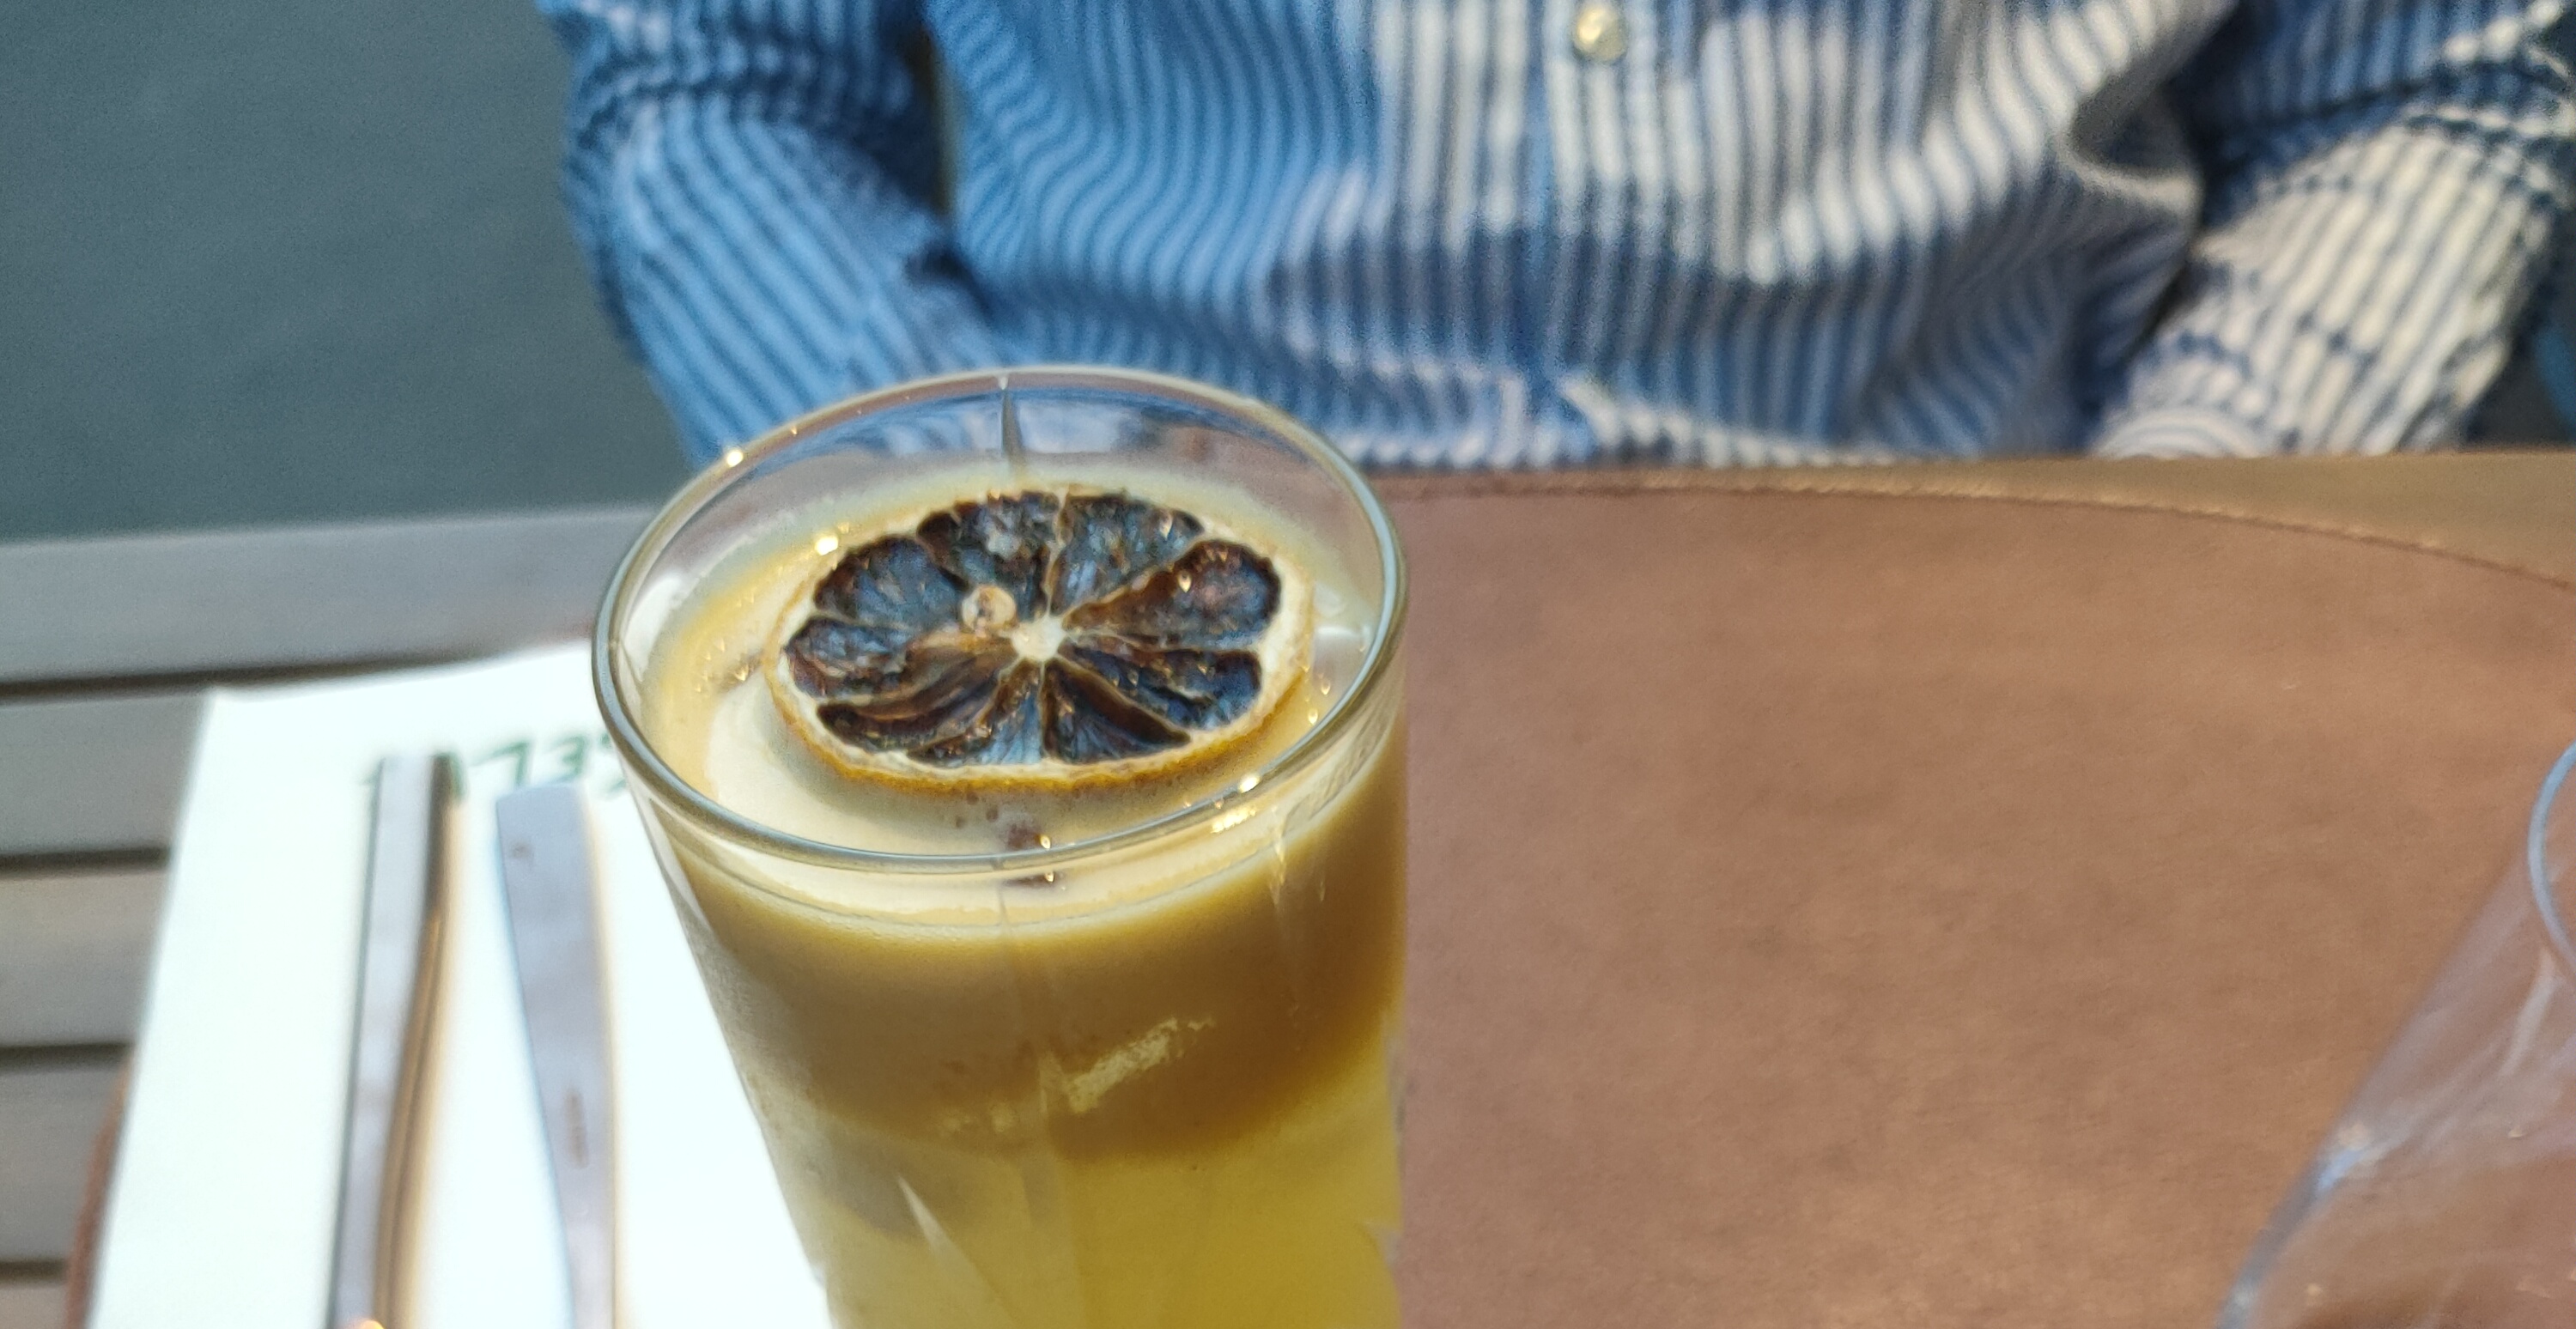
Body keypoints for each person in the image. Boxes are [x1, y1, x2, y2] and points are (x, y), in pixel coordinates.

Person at [539, 0, 2573, 466]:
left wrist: (2165, 560)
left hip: (2024, 536)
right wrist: (1038, 576)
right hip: (1167, 572)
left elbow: (2416, 83)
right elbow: (728, 82)